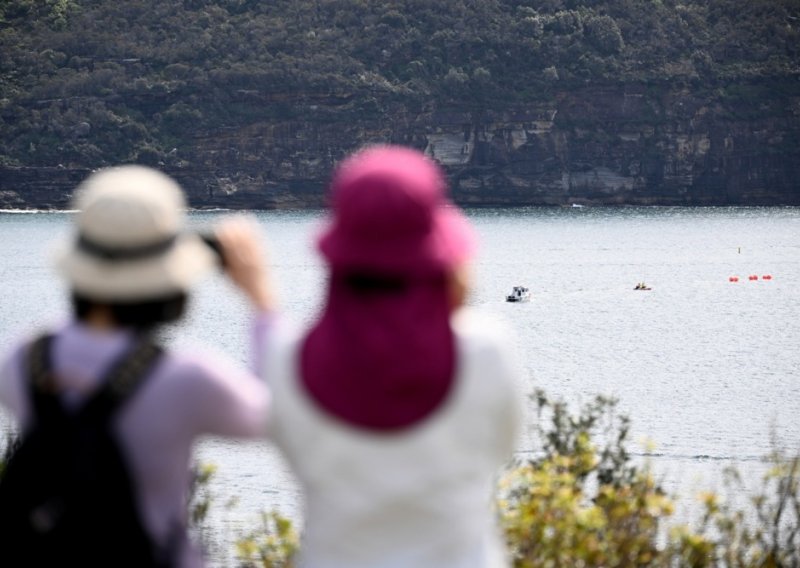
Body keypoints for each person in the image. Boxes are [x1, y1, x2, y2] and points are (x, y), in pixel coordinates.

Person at [218, 145, 523, 567]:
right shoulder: (485, 351)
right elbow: (501, 446)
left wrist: (259, 295)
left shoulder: (286, 363)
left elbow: (271, 365)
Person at [0, 165, 271, 567]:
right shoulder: (187, 377)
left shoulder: (23, 359)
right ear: (169, 278)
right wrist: (261, 301)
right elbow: (277, 418)